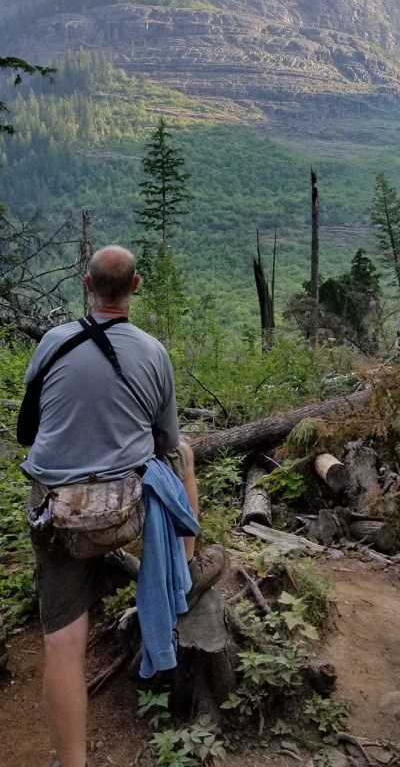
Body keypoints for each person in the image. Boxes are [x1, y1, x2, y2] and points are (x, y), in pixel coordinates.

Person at [20, 244, 225, 767]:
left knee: (64, 645)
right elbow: (165, 441)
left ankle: (73, 763)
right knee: (183, 454)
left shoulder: (51, 342)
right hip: (122, 512)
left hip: (57, 514)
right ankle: (182, 563)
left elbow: (33, 428)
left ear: (87, 285)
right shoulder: (154, 352)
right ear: (135, 289)